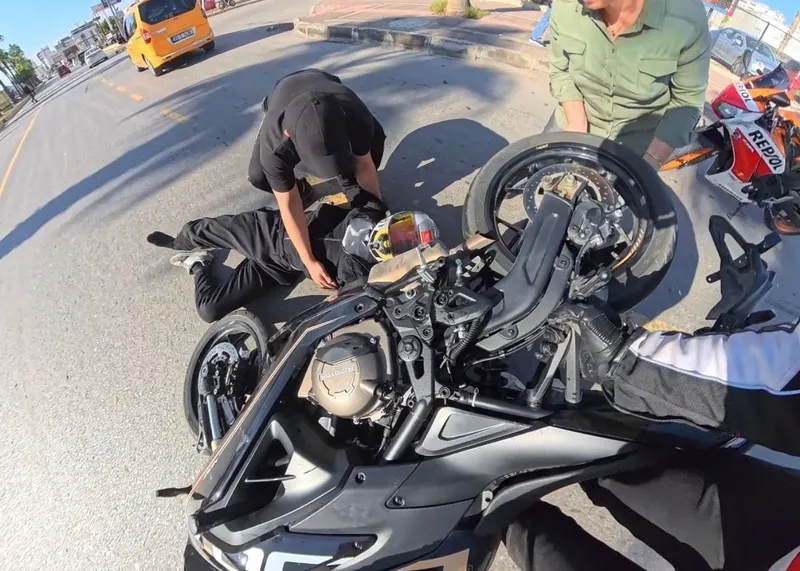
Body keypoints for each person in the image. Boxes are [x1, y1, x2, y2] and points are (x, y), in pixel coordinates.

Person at [504, 304, 800, 571]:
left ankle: (488, 499)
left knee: (540, 543)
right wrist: (626, 362)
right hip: (779, 530)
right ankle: (505, 431)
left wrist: (627, 361)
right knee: (605, 452)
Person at [146, 189, 438, 323]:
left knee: (209, 311)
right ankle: (180, 242)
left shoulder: (366, 275)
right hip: (268, 231)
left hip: (278, 269)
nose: (392, 239)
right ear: (394, 218)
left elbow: (349, 306)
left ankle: (199, 264)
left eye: (402, 244)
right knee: (204, 230)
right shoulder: (371, 210)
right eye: (400, 230)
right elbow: (357, 174)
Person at [248, 69, 387, 290]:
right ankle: (302, 188)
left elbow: (364, 164)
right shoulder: (275, 145)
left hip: (325, 82)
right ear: (290, 137)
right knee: (258, 176)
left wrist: (376, 212)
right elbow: (288, 204)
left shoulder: (354, 114)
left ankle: (350, 183)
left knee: (375, 140)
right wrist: (309, 261)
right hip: (282, 95)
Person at [547, 0, 711, 168]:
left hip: (637, 149)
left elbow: (686, 102)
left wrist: (648, 164)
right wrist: (576, 123)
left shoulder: (686, 19)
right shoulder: (566, 5)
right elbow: (561, 69)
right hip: (571, 121)